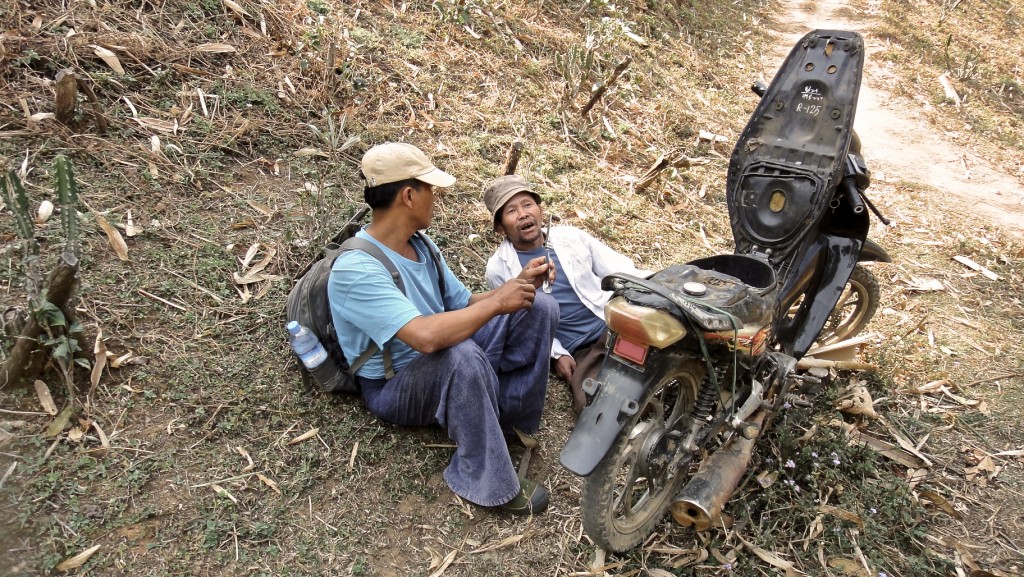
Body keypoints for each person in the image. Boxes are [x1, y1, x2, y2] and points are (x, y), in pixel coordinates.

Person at [328, 143, 558, 515]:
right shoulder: (356, 269)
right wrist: (499, 304)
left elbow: (463, 304)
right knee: (460, 355)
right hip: (395, 385)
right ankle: (487, 480)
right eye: (430, 189)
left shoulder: (420, 244)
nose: (435, 198)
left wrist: (516, 286)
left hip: (443, 350)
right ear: (408, 195)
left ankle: (508, 418)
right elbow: (427, 338)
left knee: (540, 305)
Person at [484, 175, 651, 417]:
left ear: (540, 210)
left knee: (660, 365)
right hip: (583, 349)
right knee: (594, 406)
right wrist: (558, 353)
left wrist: (652, 285)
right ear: (500, 227)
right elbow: (523, 323)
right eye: (511, 211)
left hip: (617, 322)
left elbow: (620, 270)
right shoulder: (499, 267)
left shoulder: (571, 238)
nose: (523, 214)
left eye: (528, 205)